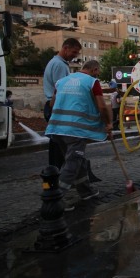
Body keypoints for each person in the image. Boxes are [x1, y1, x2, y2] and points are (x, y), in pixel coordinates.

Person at [45, 60, 112, 211]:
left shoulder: (61, 81)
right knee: (72, 163)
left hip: (57, 129)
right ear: (94, 70)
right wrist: (107, 124)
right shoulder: (92, 82)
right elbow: (102, 106)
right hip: (75, 130)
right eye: (98, 72)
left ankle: (86, 191)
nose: (98, 75)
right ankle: (56, 198)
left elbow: (51, 104)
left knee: (77, 159)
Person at [43, 38, 82, 167]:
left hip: (53, 105)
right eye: (74, 52)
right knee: (60, 145)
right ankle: (60, 173)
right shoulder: (59, 65)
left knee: (56, 143)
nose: (75, 55)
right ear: (65, 48)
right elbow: (61, 90)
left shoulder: (55, 62)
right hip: (56, 106)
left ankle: (56, 173)